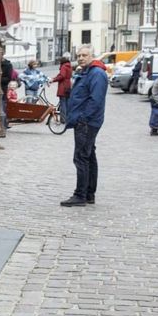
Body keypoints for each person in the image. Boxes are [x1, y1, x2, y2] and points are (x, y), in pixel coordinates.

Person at [61, 46, 107, 207]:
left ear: (92, 56)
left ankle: (80, 194)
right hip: (86, 121)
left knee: (81, 157)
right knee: (88, 156)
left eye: (84, 55)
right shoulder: (87, 72)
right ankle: (88, 194)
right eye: (79, 55)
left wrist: (83, 118)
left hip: (87, 122)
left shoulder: (96, 74)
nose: (80, 58)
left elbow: (96, 100)